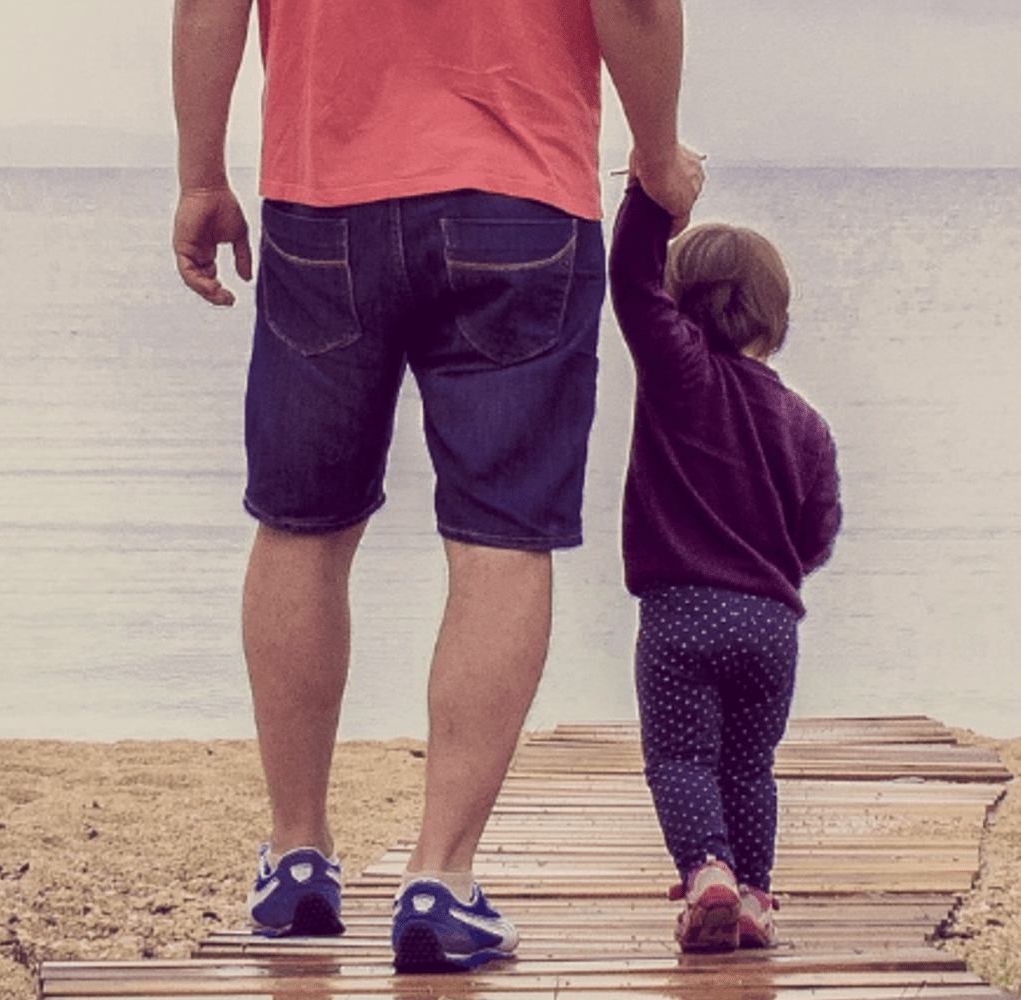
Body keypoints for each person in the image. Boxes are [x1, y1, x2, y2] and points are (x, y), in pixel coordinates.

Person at [168, 0, 706, 974]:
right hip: (520, 193)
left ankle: (296, 857)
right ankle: (440, 876)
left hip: (322, 190)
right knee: (500, 536)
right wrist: (658, 153)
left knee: (302, 526)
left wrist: (201, 175)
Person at [606, 177, 842, 953]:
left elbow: (630, 280)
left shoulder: (682, 378)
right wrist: (780, 574)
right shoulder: (806, 424)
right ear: (776, 320)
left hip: (680, 613)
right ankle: (754, 899)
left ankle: (707, 868)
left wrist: (654, 193)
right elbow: (819, 530)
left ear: (681, 310)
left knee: (680, 758)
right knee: (748, 767)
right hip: (772, 623)